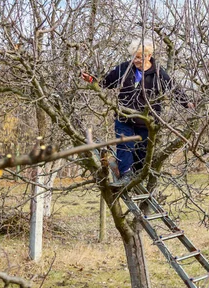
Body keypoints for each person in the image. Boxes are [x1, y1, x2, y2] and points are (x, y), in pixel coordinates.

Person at [82, 39, 193, 186]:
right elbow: (106, 82)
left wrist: (188, 103)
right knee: (124, 145)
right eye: (135, 56)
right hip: (125, 117)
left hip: (147, 121)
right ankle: (125, 176)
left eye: (140, 57)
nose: (137, 60)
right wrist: (91, 79)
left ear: (149, 56)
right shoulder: (124, 68)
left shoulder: (158, 73)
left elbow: (174, 89)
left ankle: (133, 175)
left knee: (142, 155)